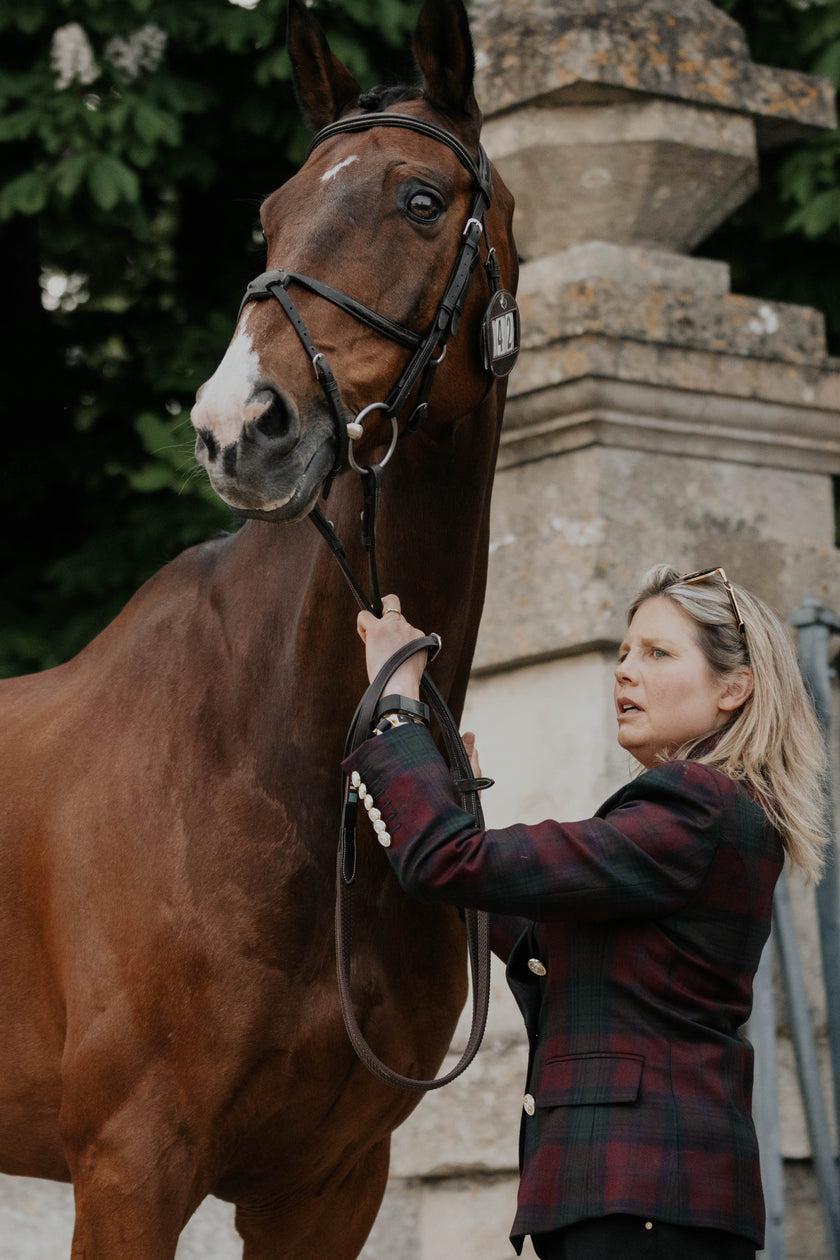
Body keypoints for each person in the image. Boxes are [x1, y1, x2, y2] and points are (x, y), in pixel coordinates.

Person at [343, 564, 828, 1260]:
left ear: (734, 688)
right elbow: (534, 933)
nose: (625, 671)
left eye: (658, 653)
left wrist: (397, 704)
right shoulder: (710, 816)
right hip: (641, 1199)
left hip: (644, 1197)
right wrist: (446, 807)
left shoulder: (695, 805)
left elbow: (444, 862)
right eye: (626, 652)